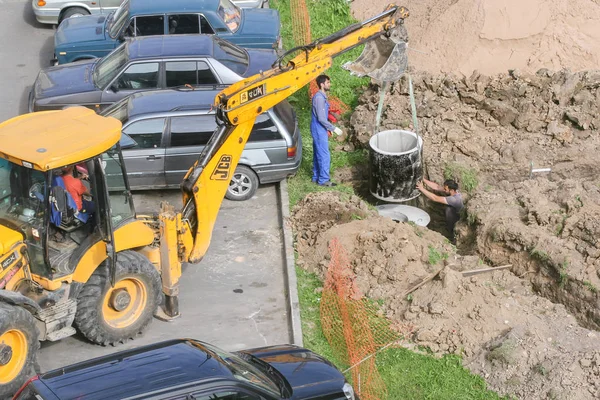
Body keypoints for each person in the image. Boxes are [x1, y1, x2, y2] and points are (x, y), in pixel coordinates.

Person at [311, 74, 343, 187]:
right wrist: (333, 128)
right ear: (322, 84)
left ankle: (316, 177)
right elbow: (321, 118)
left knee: (318, 153)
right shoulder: (319, 98)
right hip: (318, 129)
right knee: (324, 155)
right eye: (328, 82)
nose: (330, 84)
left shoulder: (322, 96)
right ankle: (323, 180)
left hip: (320, 128)